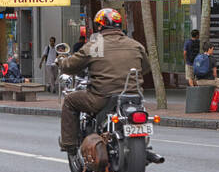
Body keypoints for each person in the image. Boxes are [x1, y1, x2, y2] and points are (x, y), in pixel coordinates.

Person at [57, 9, 161, 164]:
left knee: (70, 101)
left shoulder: (95, 46)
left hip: (102, 97)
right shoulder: (135, 45)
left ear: (99, 27)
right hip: (133, 97)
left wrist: (61, 61)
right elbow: (145, 67)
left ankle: (70, 146)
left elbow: (70, 66)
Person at [192, 44, 219, 111]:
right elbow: (215, 73)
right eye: (212, 49)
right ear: (209, 49)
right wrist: (215, 79)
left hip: (199, 81)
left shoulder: (199, 57)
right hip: (210, 80)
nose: (213, 50)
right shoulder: (212, 59)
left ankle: (211, 104)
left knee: (217, 86)